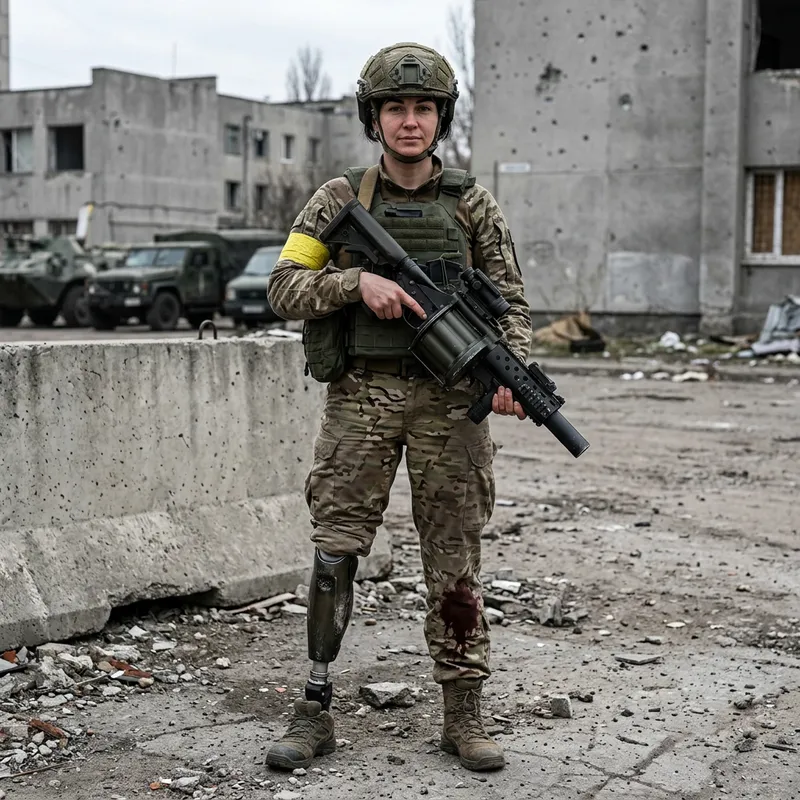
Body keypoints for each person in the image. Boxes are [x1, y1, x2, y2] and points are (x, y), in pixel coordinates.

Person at [265, 42, 532, 773]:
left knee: (455, 560)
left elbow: (509, 304)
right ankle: (314, 710)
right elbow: (284, 287)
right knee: (335, 552)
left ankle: (463, 714)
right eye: (395, 108)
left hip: (453, 407)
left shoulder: (472, 202)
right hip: (361, 398)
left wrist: (513, 374)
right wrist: (357, 288)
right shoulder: (339, 201)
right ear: (373, 117)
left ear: (440, 117)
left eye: (422, 108)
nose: (409, 121)